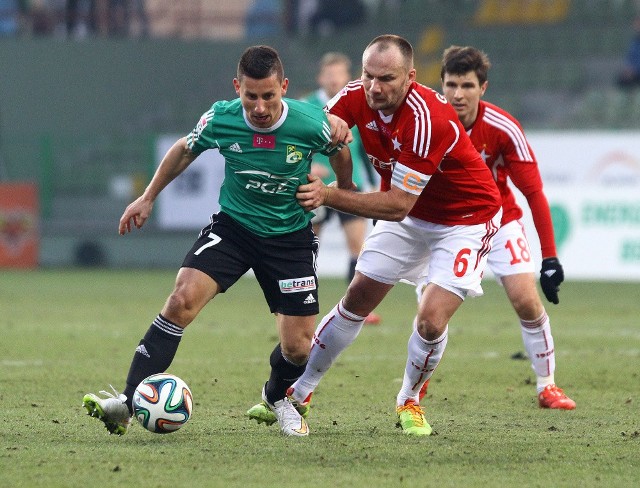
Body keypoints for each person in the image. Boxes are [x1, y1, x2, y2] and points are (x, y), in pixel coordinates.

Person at [82, 45, 352, 438]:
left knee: (298, 349)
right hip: (234, 228)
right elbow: (184, 149)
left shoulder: (312, 122)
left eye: (269, 96)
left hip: (289, 238)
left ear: (284, 88)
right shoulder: (221, 117)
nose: (259, 107)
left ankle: (277, 397)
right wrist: (147, 197)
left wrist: (337, 191)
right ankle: (126, 403)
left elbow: (340, 150)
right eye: (250, 96)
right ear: (236, 88)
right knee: (180, 300)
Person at [247, 34, 503, 436]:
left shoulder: (426, 120)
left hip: (464, 220)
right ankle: (297, 392)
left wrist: (331, 193)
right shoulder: (354, 95)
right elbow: (318, 132)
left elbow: (397, 204)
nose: (374, 87)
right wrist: (324, 146)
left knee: (431, 321)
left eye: (386, 78)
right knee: (356, 298)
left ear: (411, 78)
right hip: (412, 217)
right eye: (368, 76)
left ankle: (409, 400)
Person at [415, 45, 575, 410]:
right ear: (441, 84)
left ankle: (547, 386)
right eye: (451, 84)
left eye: (467, 85)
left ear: (482, 87)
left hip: (498, 222)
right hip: (442, 226)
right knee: (430, 314)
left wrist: (549, 257)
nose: (458, 94)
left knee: (526, 300)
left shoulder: (502, 127)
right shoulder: (426, 122)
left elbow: (533, 193)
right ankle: (416, 387)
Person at [303, 52, 381, 325]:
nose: (334, 79)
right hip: (314, 187)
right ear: (320, 77)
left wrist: (372, 182)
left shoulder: (358, 106)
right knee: (308, 247)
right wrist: (307, 169)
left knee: (357, 247)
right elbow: (293, 147)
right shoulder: (306, 106)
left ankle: (356, 309)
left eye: (339, 74)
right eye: (330, 74)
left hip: (351, 185)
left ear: (348, 77)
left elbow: (361, 150)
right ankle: (303, 303)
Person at [616, 16, 640, 88]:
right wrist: (628, 69)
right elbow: (630, 58)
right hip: (634, 73)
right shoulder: (634, 42)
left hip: (637, 72)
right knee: (621, 80)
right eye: (636, 26)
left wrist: (634, 70)